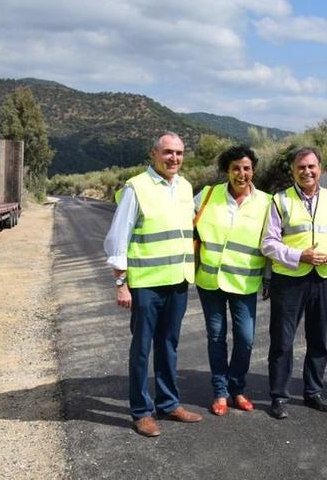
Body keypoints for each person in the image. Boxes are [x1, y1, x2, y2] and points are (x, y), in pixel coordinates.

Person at [104, 132, 203, 437]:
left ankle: (169, 403)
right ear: (154, 154)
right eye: (168, 152)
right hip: (146, 285)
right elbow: (117, 239)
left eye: (179, 153)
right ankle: (141, 411)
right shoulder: (137, 187)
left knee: (169, 346)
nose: (174, 158)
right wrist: (122, 284)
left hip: (178, 282)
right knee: (142, 349)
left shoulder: (185, 187)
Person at [261, 147, 327, 419]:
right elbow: (268, 243)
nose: (307, 172)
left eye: (311, 167)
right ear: (293, 171)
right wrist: (300, 255)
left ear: (320, 169)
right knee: (282, 341)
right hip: (289, 280)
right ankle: (278, 396)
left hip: (324, 279)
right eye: (301, 167)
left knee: (319, 339)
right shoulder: (280, 200)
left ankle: (313, 392)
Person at [193, 146, 271, 416]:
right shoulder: (207, 195)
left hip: (244, 283)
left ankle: (237, 387)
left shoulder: (266, 202)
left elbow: (272, 242)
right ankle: (220, 392)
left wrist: (270, 278)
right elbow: (184, 223)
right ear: (227, 170)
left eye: (247, 168)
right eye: (236, 168)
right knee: (216, 337)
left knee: (245, 339)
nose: (242, 173)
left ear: (254, 171)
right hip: (210, 281)